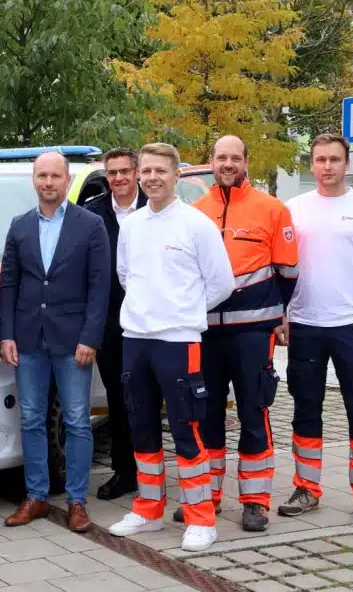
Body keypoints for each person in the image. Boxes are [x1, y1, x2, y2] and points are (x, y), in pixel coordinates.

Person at [107, 143, 234, 553]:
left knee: (186, 428)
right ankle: (148, 509)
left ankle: (201, 519)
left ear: (177, 175)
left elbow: (221, 283)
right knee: (141, 426)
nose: (152, 177)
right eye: (146, 171)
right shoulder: (132, 225)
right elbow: (126, 275)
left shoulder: (196, 225)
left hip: (179, 341)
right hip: (136, 340)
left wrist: (184, 310)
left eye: (160, 170)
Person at [179, 135, 299, 532]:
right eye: (220, 157)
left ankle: (255, 501)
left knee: (253, 412)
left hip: (253, 334)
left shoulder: (272, 209)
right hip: (206, 333)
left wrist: (272, 316)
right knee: (207, 415)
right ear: (211, 162)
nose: (227, 163)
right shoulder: (195, 211)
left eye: (235, 157)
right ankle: (209, 497)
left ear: (246, 162)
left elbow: (288, 273)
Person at [279, 133, 353, 526]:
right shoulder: (293, 209)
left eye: (334, 159)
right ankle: (306, 489)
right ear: (310, 165)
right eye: (319, 160)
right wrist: (281, 315)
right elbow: (281, 268)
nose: (326, 167)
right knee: (305, 409)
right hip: (305, 324)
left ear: (347, 164)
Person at [0, 151, 109, 533]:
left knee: (78, 421)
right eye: (42, 176)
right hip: (28, 340)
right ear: (34, 180)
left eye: (55, 176)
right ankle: (37, 497)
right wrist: (6, 334)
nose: (48, 183)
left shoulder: (90, 225)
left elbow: (100, 286)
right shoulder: (19, 226)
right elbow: (9, 284)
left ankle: (77, 501)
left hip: (73, 341)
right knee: (31, 419)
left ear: (66, 180)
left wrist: (90, 337)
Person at [84, 147, 147, 502]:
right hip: (110, 324)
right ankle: (125, 472)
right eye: (113, 173)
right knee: (119, 400)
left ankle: (153, 470)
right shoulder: (92, 214)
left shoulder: (155, 207)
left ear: (137, 172)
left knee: (150, 398)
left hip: (151, 321)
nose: (119, 178)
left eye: (125, 171)